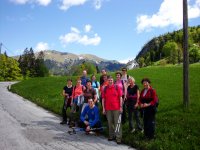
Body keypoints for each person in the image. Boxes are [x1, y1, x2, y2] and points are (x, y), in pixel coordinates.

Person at [102, 76, 123, 144]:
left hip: (116, 108)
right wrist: (103, 108)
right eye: (109, 80)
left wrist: (121, 107)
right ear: (107, 81)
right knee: (110, 123)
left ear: (113, 81)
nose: (110, 81)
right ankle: (111, 136)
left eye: (111, 80)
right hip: (108, 109)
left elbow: (120, 97)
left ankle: (118, 138)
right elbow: (103, 99)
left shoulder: (117, 87)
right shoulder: (105, 88)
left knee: (117, 123)